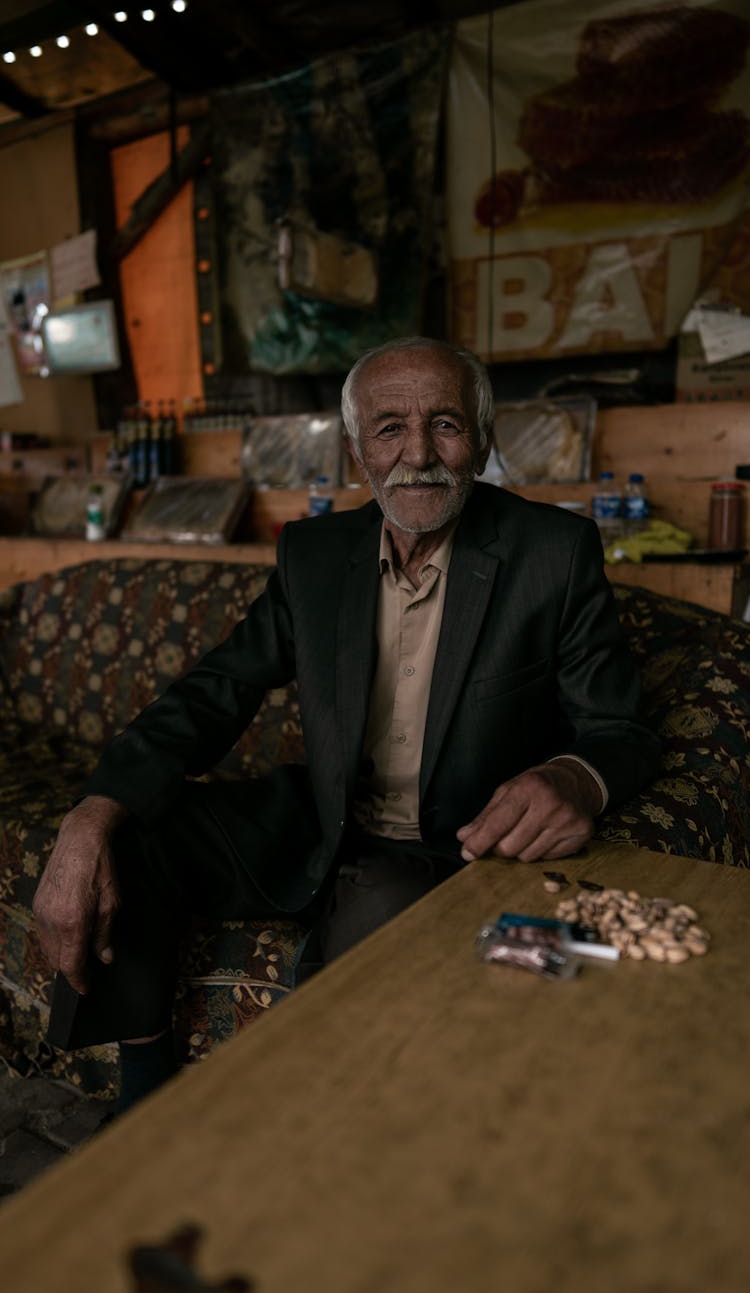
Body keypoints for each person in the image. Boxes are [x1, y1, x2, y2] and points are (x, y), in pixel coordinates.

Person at [33, 337, 661, 1112]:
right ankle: (144, 1098)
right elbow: (215, 692)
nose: (419, 453)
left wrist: (573, 777)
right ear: (358, 450)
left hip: (447, 845)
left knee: (381, 904)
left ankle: (323, 1128)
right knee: (131, 832)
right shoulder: (314, 552)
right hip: (321, 822)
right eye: (390, 427)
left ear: (485, 441)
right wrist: (91, 813)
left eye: (447, 424)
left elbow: (621, 727)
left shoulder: (553, 553)